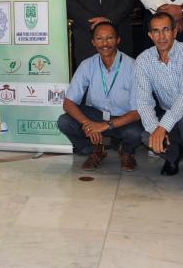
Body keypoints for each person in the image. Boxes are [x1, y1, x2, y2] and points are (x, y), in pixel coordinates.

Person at [134, 12, 183, 193]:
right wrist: (155, 130)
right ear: (150, 35)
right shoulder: (143, 60)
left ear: (175, 31)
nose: (161, 36)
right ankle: (173, 156)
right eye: (156, 31)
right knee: (146, 136)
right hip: (170, 115)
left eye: (166, 30)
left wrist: (163, 127)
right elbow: (143, 101)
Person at [57, 22, 143, 171]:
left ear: (118, 40)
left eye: (110, 38)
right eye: (99, 39)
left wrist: (105, 126)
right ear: (93, 42)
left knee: (136, 133)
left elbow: (138, 112)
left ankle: (127, 152)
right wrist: (88, 124)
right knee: (64, 121)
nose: (104, 43)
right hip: (96, 115)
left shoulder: (134, 67)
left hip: (124, 118)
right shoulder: (87, 65)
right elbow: (68, 103)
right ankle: (96, 150)